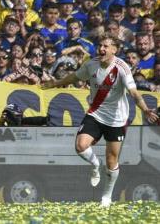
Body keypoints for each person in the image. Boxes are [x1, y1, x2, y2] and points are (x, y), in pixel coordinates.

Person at [42, 33, 159, 207]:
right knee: (80, 145)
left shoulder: (122, 68)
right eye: (100, 45)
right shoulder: (91, 64)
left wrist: (146, 110)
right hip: (96, 114)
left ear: (114, 49)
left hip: (116, 119)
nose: (101, 49)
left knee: (111, 160)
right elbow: (74, 77)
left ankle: (107, 196)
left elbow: (134, 93)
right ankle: (95, 165)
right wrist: (54, 83)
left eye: (106, 46)